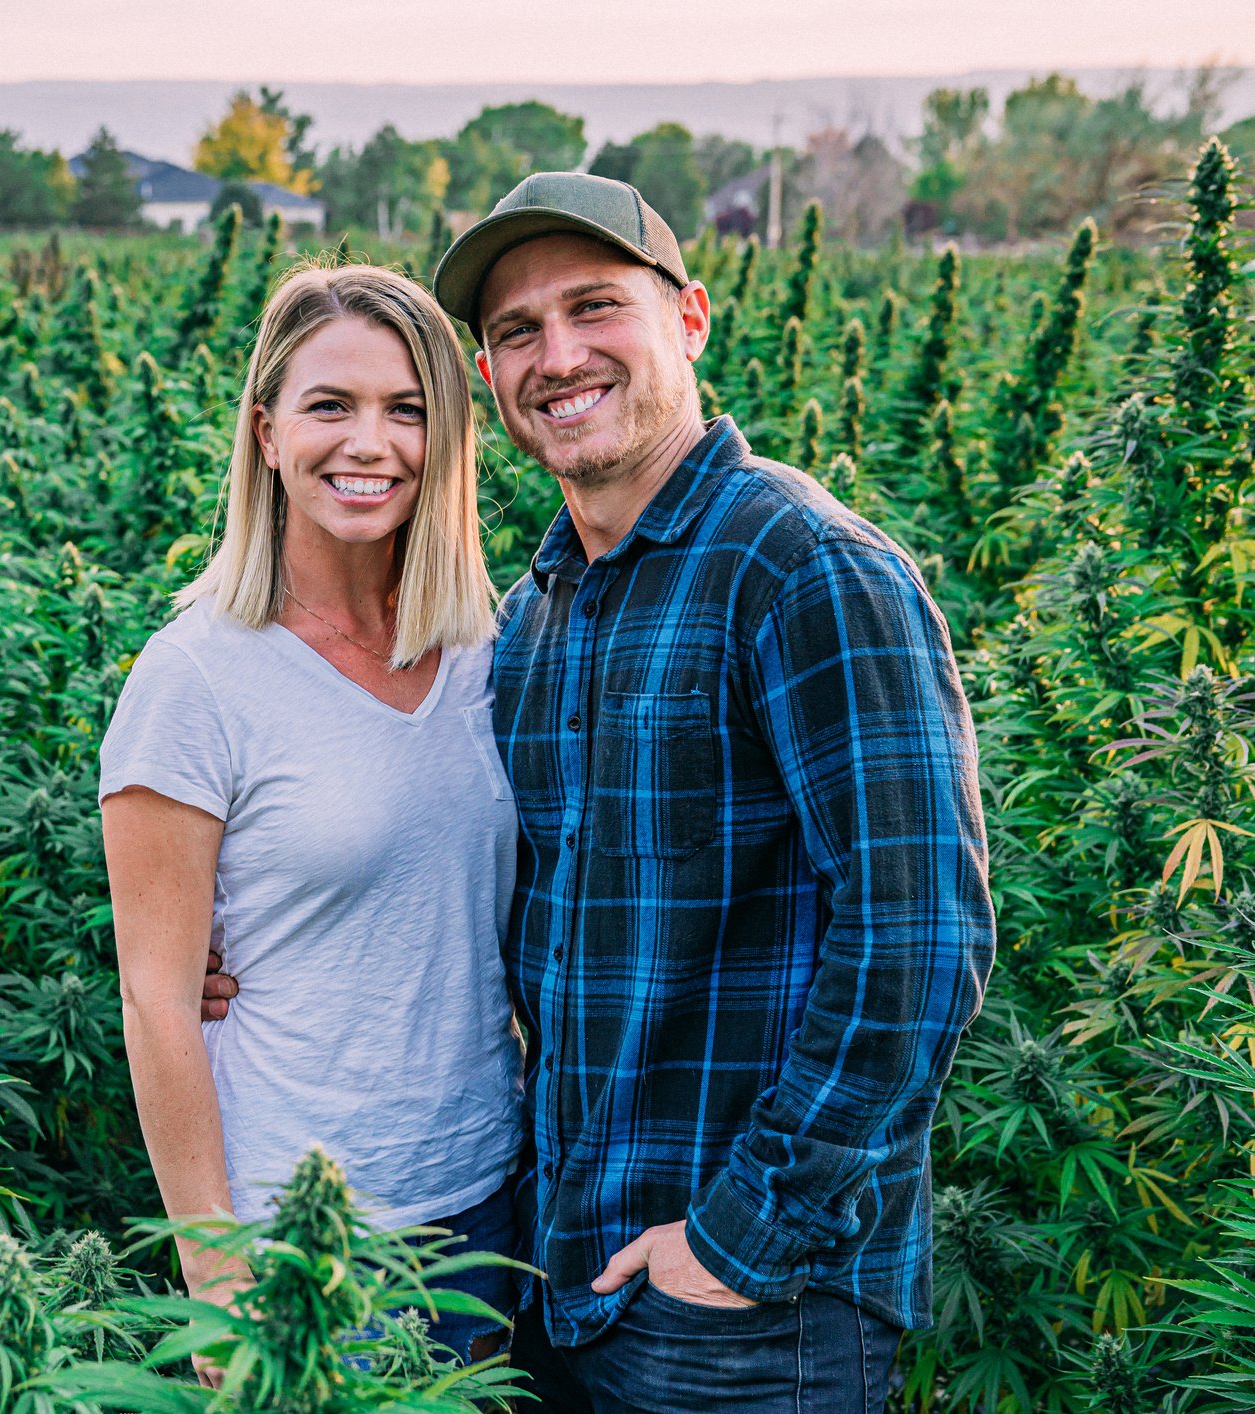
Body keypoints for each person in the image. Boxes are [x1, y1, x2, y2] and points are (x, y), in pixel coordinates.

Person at [210, 174, 996, 1410]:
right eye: (516, 332)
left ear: (686, 318)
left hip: (750, 1307)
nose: (556, 356)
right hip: (556, 1269)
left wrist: (738, 1236)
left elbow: (918, 941)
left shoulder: (800, 569)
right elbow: (471, 879)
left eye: (594, 308)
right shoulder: (529, 617)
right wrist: (240, 935)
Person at [99, 262, 526, 1382]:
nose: (367, 442)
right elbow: (154, 994)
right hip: (299, 1230)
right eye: (328, 406)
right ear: (266, 433)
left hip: (489, 1200)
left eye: (405, 410)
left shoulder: (491, 648)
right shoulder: (195, 675)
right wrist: (216, 1272)